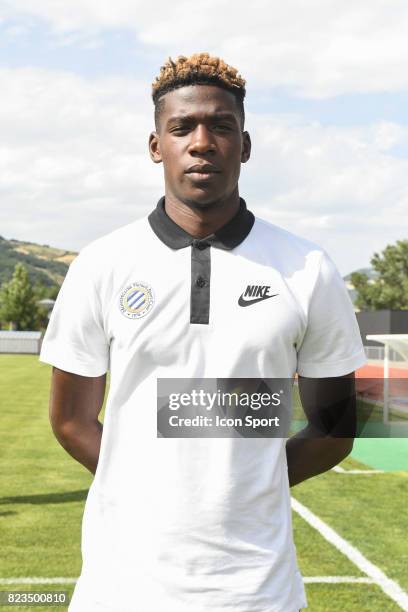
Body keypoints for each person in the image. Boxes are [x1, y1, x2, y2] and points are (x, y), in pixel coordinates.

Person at [39, 52, 367, 612]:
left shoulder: (308, 268)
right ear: (155, 145)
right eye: (182, 127)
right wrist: (146, 478)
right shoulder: (102, 264)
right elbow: (69, 420)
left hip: (257, 593)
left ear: (245, 145)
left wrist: (247, 482)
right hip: (122, 589)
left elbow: (336, 430)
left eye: (221, 126)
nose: (202, 142)